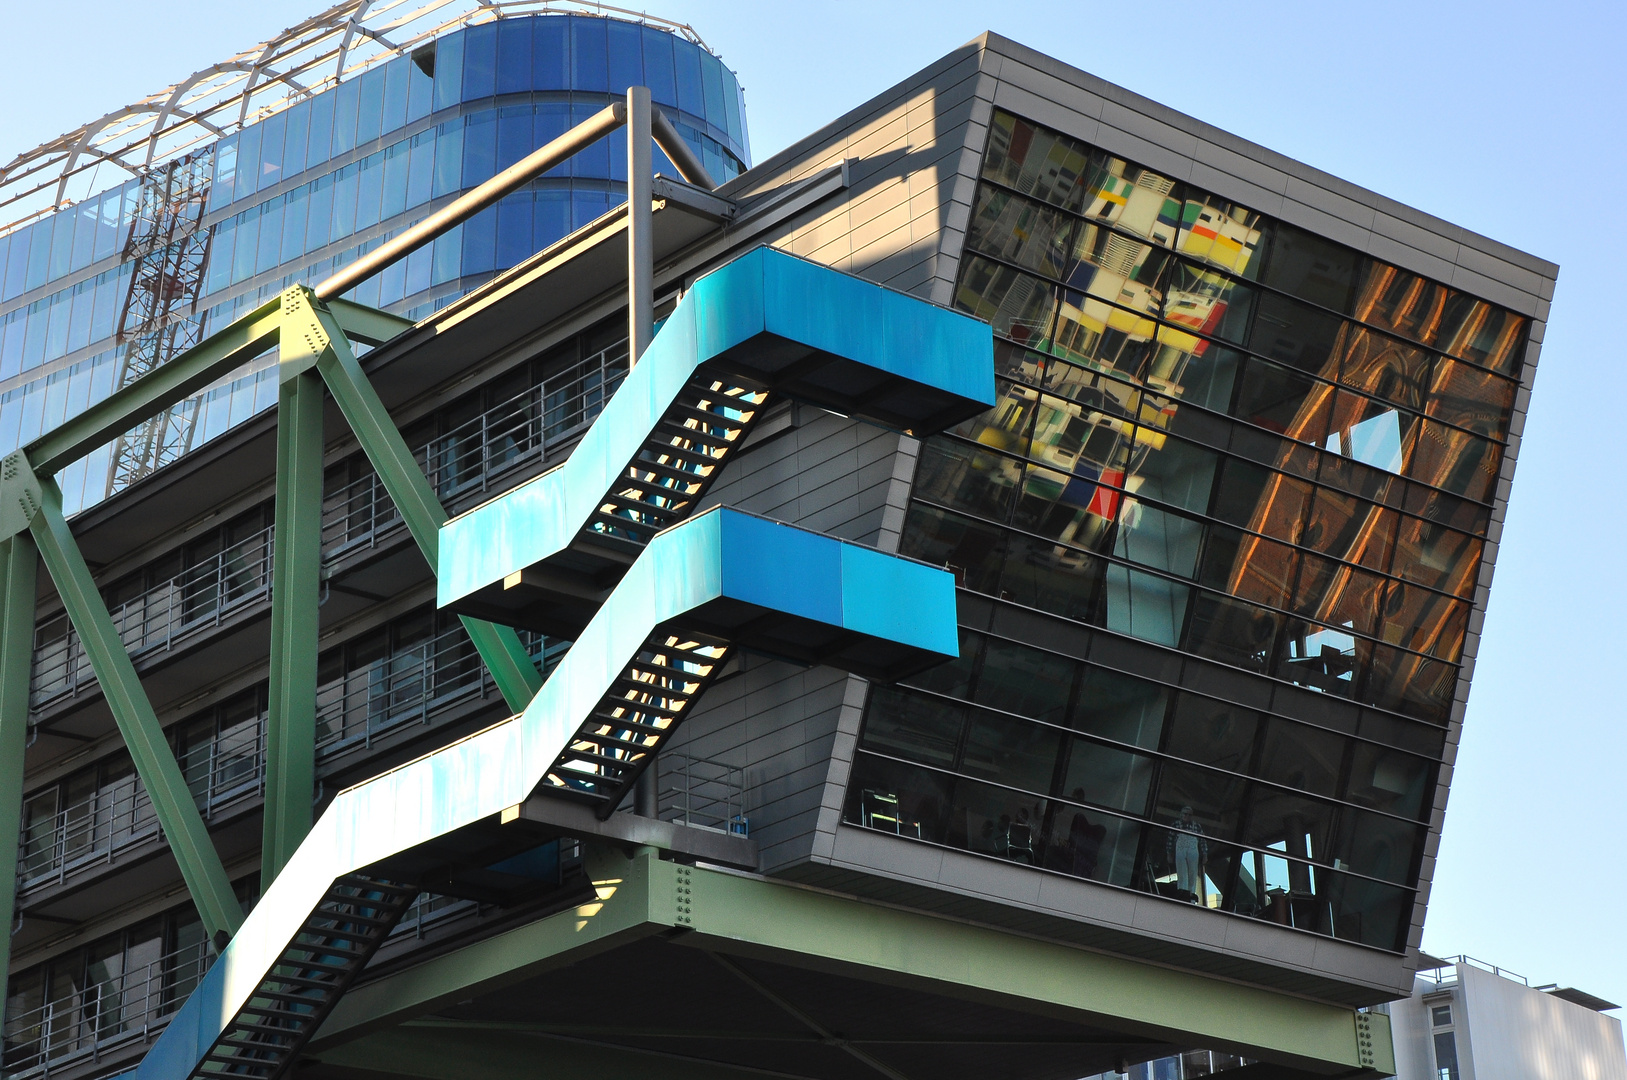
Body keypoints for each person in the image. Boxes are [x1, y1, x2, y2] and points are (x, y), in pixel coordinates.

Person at [1167, 805, 1208, 905]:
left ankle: (1191, 897)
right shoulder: (1176, 824)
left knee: (1192, 873)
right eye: (1185, 814)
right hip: (1180, 849)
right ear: (1181, 814)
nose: (1187, 816)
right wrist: (1169, 854)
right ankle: (1182, 895)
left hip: (1193, 849)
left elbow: (1202, 840)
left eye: (1189, 815)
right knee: (1182, 873)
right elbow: (1170, 839)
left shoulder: (1196, 826)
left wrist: (1205, 853)